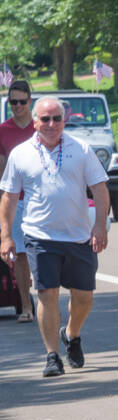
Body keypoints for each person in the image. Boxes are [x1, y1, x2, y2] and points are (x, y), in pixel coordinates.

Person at [0, 95, 110, 378]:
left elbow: (99, 189)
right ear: (35, 122)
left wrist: (99, 226)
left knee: (83, 297)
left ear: (64, 120)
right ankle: (52, 356)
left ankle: (71, 334)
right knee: (47, 294)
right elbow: (9, 197)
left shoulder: (81, 149)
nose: (51, 124)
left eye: (56, 118)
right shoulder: (21, 153)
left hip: (78, 236)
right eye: (45, 119)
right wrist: (5, 236)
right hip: (40, 235)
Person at [0, 80, 36, 322]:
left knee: (45, 254)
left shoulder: (43, 127)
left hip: (42, 200)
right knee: (20, 255)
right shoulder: (3, 130)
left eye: (22, 102)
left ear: (30, 102)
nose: (18, 106)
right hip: (15, 201)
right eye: (13, 102)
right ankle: (26, 307)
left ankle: (46, 299)